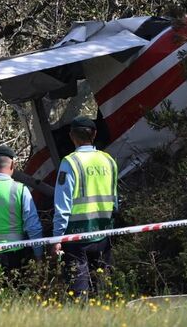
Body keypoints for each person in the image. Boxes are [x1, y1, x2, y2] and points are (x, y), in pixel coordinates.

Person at [52, 116, 118, 296]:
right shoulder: (108, 160)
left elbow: (63, 205)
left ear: (72, 136)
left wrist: (57, 238)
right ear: (94, 135)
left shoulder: (70, 162)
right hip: (104, 234)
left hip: (76, 236)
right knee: (104, 289)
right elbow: (115, 200)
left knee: (79, 293)